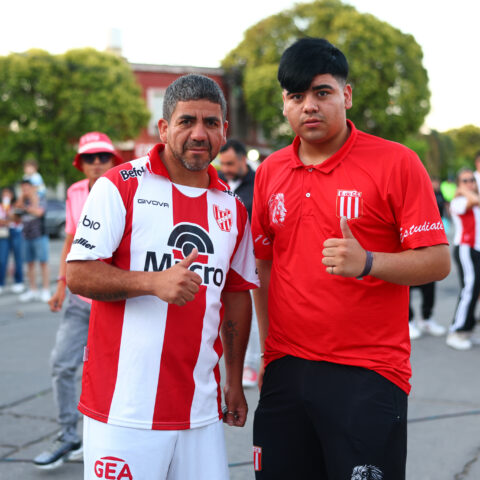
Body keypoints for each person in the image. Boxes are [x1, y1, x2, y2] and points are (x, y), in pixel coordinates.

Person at [251, 37, 450, 480]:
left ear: (347, 95)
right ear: (284, 105)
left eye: (322, 92)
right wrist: (268, 354)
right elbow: (264, 266)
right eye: (296, 96)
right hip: (286, 369)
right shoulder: (270, 171)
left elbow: (437, 261)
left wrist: (369, 262)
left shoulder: (396, 163)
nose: (309, 106)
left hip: (368, 372)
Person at [66, 74, 258, 480]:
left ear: (224, 131)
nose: (199, 133)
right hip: (124, 410)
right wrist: (152, 282)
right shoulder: (119, 186)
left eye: (211, 123)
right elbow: (78, 274)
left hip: (200, 411)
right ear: (164, 128)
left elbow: (236, 294)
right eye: (187, 121)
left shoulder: (233, 207)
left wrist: (234, 380)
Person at [33, 132, 122, 469]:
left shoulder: (128, 189)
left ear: (113, 160)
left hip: (116, 299)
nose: (97, 163)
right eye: (89, 158)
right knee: (62, 363)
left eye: (103, 156)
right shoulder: (74, 192)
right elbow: (71, 242)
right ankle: (69, 435)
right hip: (79, 299)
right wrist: (60, 284)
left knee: (113, 372)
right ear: (80, 163)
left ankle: (112, 439)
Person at [218, 139, 260, 387]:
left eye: (231, 164)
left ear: (243, 160)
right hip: (222, 255)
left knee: (249, 313)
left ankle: (250, 366)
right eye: (223, 164)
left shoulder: (258, 183)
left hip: (250, 257)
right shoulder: (217, 180)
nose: (226, 169)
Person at [408, 176, 447, 339]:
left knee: (429, 285)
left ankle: (427, 319)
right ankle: (409, 321)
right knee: (406, 287)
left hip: (427, 247)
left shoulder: (433, 197)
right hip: (407, 249)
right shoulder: (405, 197)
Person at [446, 168, 480, 350]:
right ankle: (456, 331)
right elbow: (474, 200)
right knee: (469, 289)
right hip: (465, 249)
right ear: (459, 184)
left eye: (472, 180)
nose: (470, 183)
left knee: (475, 291)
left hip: (476, 249)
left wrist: (465, 189)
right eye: (465, 181)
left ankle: (467, 329)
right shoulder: (459, 201)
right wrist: (463, 191)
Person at [14, 179, 50, 302]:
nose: (25, 191)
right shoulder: (22, 200)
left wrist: (26, 205)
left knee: (43, 263)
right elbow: (14, 214)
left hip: (40, 235)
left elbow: (39, 212)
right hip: (26, 235)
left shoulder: (41, 198)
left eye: (27, 188)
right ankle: (33, 290)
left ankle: (46, 290)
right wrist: (21, 199)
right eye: (23, 189)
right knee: (29, 264)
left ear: (33, 188)